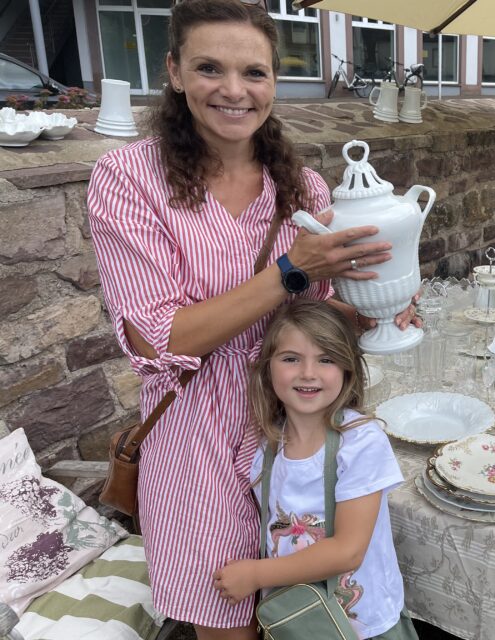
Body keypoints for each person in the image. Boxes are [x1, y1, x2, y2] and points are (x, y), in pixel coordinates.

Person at [87, 1, 415, 637]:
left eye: (255, 73)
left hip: (296, 433)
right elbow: (158, 340)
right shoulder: (128, 178)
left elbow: (313, 321)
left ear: (274, 82)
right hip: (197, 440)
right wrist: (289, 269)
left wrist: (373, 314)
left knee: (308, 615)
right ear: (175, 72)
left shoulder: (303, 190)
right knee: (228, 619)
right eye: (210, 68)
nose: (234, 91)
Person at [214, 300, 416, 639]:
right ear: (268, 368)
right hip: (299, 622)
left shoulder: (359, 442)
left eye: (326, 359)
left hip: (362, 626)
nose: (308, 373)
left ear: (348, 369)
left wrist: (255, 575)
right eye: (291, 358)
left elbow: (348, 550)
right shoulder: (265, 447)